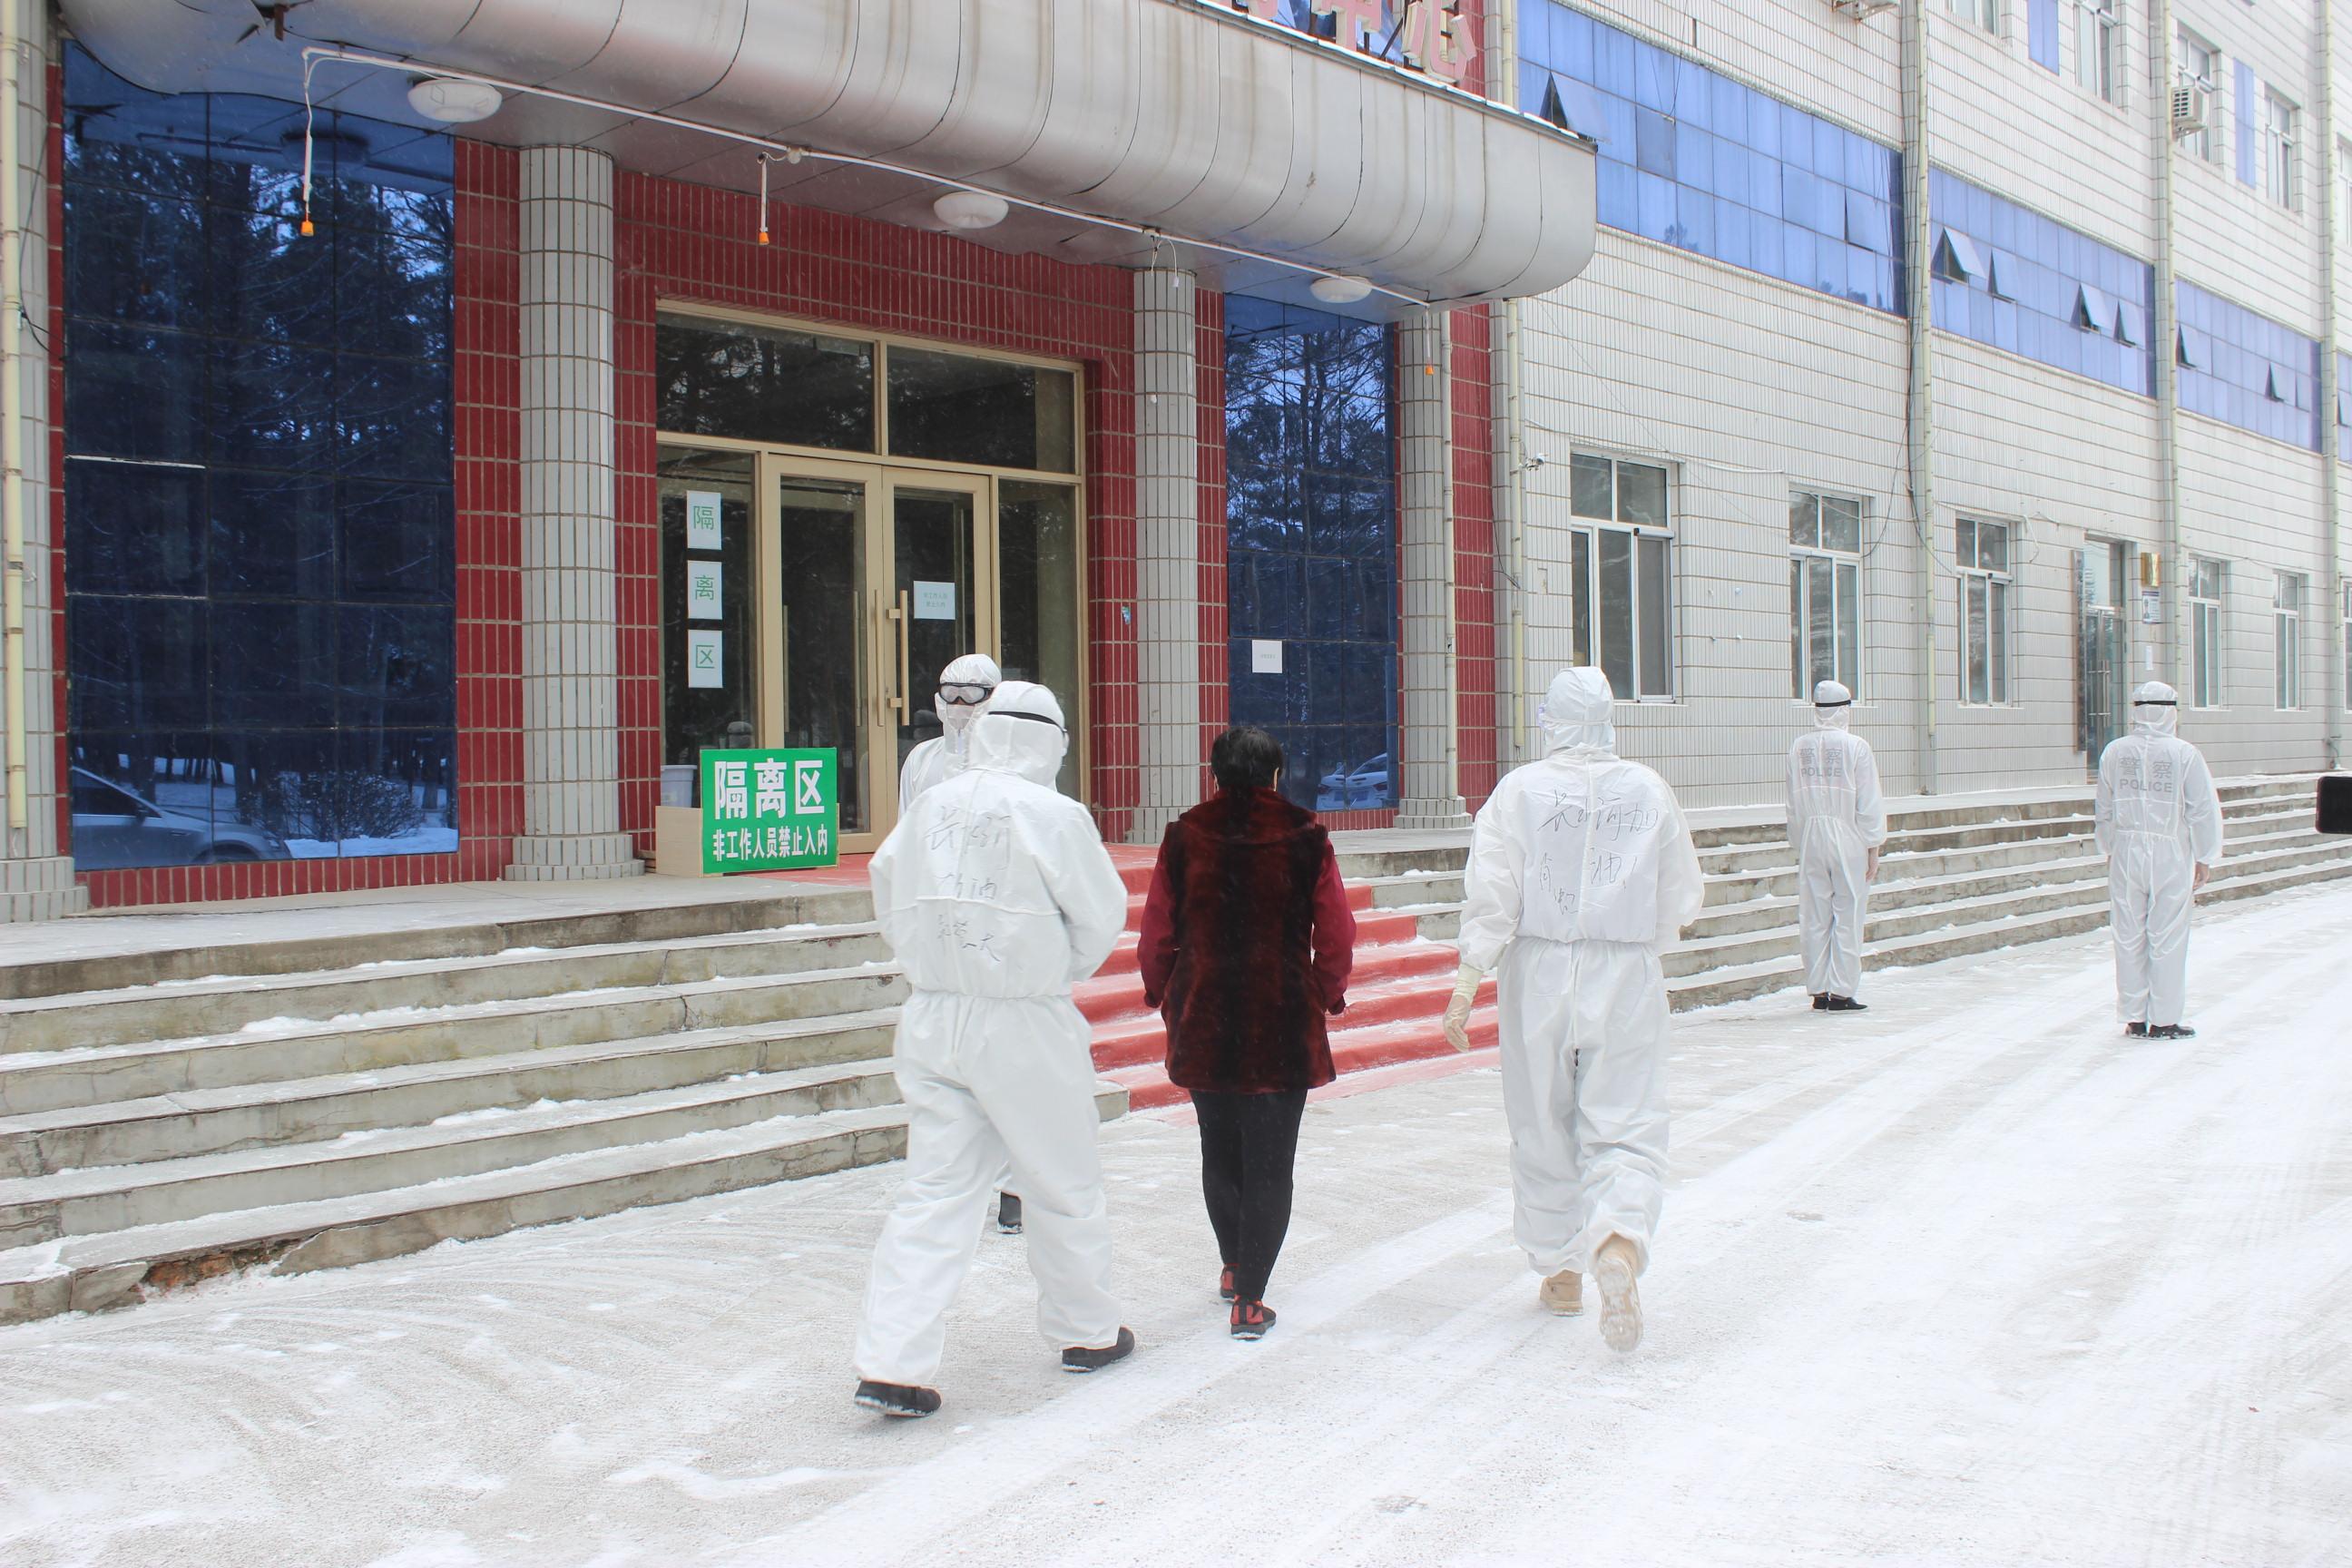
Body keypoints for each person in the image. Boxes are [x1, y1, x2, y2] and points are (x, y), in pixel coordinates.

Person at [852, 681, 1134, 1418]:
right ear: (1050, 740)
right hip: (1022, 1021)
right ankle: (1086, 1329)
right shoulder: (1054, 813)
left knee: (935, 1190)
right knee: (1061, 1181)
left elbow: (887, 891)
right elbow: (1100, 917)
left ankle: (892, 1361)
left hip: (933, 1015)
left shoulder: (931, 807)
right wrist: (1048, 971)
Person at [1442, 667, 1704, 1354]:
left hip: (1540, 969)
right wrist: (1644, 937)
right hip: (1624, 970)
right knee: (1628, 1116)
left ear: (1550, 719)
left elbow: (1493, 892)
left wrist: (1472, 975)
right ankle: (1617, 1237)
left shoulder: (1519, 792)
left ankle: (1559, 1268)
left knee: (1540, 1119)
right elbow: (1682, 895)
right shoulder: (1648, 790)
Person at [1138, 726, 1357, 1341]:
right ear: (1276, 776)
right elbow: (1336, 931)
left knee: (1220, 1151)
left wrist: (1164, 993)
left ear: (1215, 775)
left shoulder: (1184, 837)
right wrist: (1326, 991)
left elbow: (1157, 932)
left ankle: (1233, 1266)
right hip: (1281, 1015)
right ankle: (1252, 1300)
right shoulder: (1306, 837)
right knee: (1270, 1162)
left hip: (1205, 1012)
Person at [895, 652, 1024, 1235]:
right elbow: (905, 841)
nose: (960, 706)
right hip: (940, 933)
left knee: (1007, 1065)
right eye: (951, 692)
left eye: (974, 694)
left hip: (996, 931)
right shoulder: (922, 761)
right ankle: (953, 1180)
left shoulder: (1017, 761)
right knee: (946, 1064)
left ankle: (1016, 1182)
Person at [2094, 681, 2223, 1041]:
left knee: (2128, 932)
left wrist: (2108, 847)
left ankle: (2134, 1016)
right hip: (2171, 850)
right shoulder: (2184, 754)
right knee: (2167, 934)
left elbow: (2103, 807)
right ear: (2171, 711)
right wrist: (2205, 855)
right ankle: (2165, 1019)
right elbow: (2201, 809)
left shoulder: (2115, 752)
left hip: (2126, 849)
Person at [1786, 679, 1887, 1013]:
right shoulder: (1856, 746)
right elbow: (1867, 799)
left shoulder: (1799, 746)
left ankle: (1818, 989)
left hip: (1812, 834)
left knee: (1813, 913)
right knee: (1848, 912)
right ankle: (1842, 991)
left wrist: (1799, 842)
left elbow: (1793, 802)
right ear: (1845, 710)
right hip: (1848, 835)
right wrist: (1873, 845)